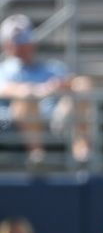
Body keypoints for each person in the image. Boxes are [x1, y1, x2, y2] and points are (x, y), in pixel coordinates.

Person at [0, 14, 94, 166]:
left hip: (56, 119)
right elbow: (8, 90)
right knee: (27, 96)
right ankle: (37, 155)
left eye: (24, 42)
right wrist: (43, 90)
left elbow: (75, 82)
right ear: (6, 45)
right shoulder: (3, 70)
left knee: (83, 85)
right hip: (19, 124)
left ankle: (82, 152)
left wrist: (63, 85)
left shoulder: (51, 68)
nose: (22, 48)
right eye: (16, 43)